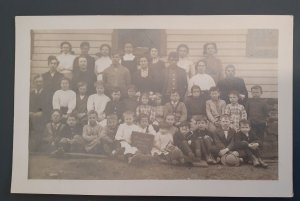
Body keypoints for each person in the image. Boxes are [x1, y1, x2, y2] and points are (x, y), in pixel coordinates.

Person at [29, 75, 51, 151]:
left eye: (40, 81)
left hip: (43, 117)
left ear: (43, 83)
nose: (39, 83)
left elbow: (48, 106)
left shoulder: (47, 93)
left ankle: (39, 148)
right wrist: (30, 112)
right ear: (33, 83)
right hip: (31, 116)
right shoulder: (30, 94)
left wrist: (41, 112)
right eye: (37, 81)